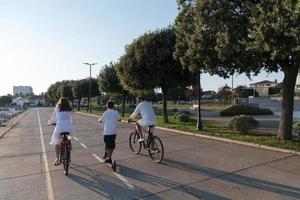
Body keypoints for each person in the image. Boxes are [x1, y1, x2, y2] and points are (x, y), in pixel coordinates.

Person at [48, 97, 75, 166]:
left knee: (57, 142)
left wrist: (50, 122)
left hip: (60, 127)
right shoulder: (69, 109)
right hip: (69, 127)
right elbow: (72, 119)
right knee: (69, 136)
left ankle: (57, 158)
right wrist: (71, 123)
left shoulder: (57, 108)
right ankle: (69, 147)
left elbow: (53, 118)